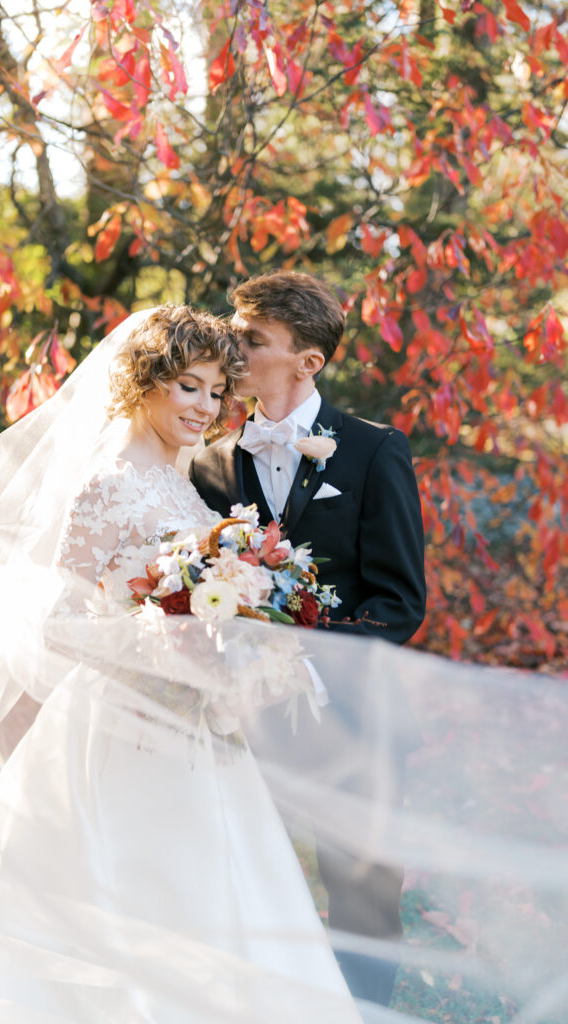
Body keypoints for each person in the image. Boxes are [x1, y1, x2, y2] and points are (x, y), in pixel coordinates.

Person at [0, 306, 364, 1023]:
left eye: (214, 393)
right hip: (113, 724)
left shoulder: (180, 483)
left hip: (188, 725)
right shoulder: (106, 484)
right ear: (145, 384)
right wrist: (158, 640)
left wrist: (236, 647)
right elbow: (59, 616)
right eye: (188, 388)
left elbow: (198, 594)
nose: (205, 408)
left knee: (213, 889)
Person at [189, 270, 427, 1006]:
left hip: (353, 716)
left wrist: (303, 655)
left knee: (361, 894)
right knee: (246, 876)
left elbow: (399, 601)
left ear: (307, 362)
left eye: (251, 341)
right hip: (239, 715)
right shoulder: (208, 462)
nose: (233, 352)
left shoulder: (371, 451)